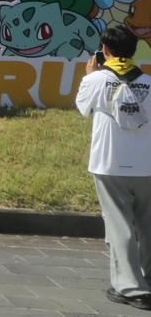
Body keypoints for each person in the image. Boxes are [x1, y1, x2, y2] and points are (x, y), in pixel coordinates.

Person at [77, 24, 151, 310]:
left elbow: (83, 108)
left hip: (109, 163)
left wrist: (89, 76)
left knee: (120, 225)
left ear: (104, 50)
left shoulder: (96, 80)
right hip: (146, 164)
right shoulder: (148, 82)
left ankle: (131, 288)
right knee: (147, 224)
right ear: (134, 50)